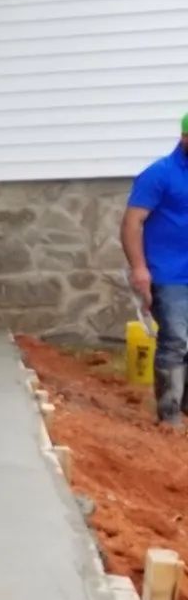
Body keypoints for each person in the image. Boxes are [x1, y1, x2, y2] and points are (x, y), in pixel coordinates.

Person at [123, 114, 188, 426]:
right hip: (168, 275)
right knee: (175, 342)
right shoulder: (158, 174)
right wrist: (139, 268)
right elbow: (132, 222)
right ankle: (170, 417)